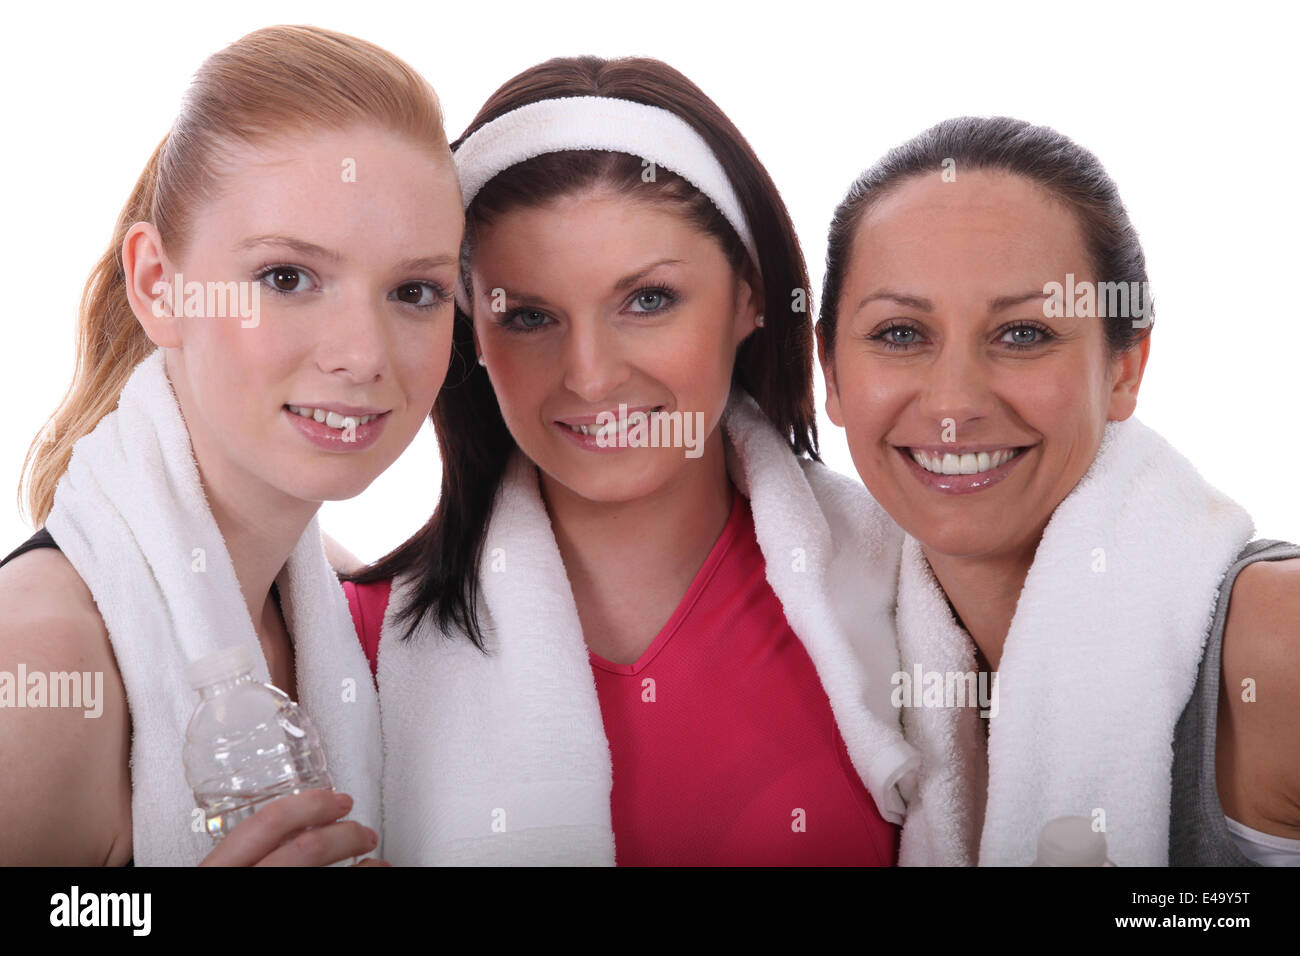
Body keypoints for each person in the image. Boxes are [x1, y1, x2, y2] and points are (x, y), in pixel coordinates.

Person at [342, 55, 919, 865]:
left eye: (647, 300)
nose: (591, 375)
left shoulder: (914, 593)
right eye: (531, 316)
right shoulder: (349, 646)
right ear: (472, 329)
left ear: (751, 295)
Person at [0, 24, 463, 866]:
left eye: (415, 290)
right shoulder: (38, 664)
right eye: (286, 277)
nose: (361, 354)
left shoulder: (341, 595)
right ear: (157, 286)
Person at [816, 116, 1300, 866]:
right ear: (831, 374)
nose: (953, 405)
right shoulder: (840, 660)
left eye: (1024, 334)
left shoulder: (1278, 643)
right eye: (902, 334)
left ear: (1124, 369)